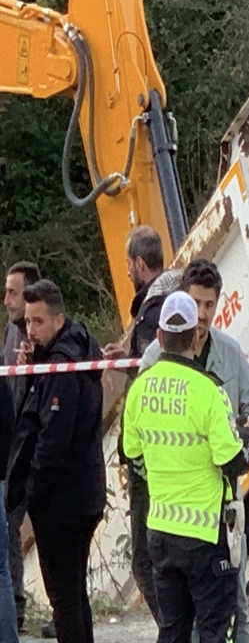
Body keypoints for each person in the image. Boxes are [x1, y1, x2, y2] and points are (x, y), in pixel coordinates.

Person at [137, 259, 249, 642]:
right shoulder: (153, 361)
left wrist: (245, 435)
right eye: (197, 304)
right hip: (172, 512)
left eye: (210, 305)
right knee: (181, 621)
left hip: (222, 510)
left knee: (232, 608)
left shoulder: (228, 351)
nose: (204, 314)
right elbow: (139, 436)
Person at [7, 280, 105, 643]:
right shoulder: (70, 351)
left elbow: (52, 439)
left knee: (64, 602)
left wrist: (32, 490)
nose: (30, 330)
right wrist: (34, 366)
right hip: (82, 493)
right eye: (27, 323)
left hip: (63, 501)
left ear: (58, 320)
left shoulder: (63, 366)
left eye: (38, 322)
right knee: (74, 596)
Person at [103, 225, 180, 622]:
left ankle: (175, 631)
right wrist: (128, 355)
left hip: (149, 453)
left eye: (128, 262)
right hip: (173, 455)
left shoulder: (154, 309)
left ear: (137, 262)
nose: (127, 271)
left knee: (145, 562)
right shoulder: (174, 301)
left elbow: (153, 372)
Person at [3, 260, 40, 634]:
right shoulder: (10, 333)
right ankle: (14, 610)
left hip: (38, 448)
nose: (7, 300)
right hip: (13, 448)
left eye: (12, 292)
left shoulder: (44, 335)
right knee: (10, 527)